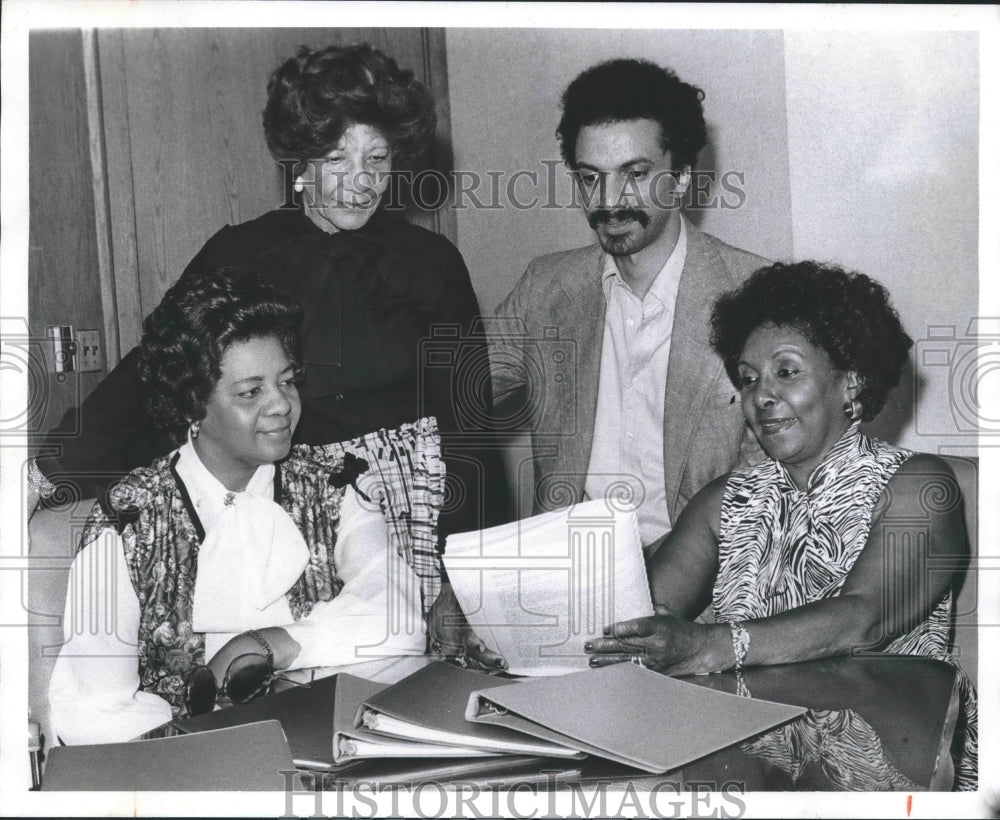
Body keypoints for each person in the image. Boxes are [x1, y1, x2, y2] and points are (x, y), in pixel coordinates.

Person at [29, 42, 508, 552]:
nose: (361, 182)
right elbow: (152, 371)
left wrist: (475, 565)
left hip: (417, 511)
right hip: (279, 513)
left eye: (376, 157)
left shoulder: (432, 261)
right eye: (335, 159)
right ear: (300, 163)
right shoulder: (242, 251)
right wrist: (48, 470)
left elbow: (467, 426)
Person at [585, 261, 977, 789]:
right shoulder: (725, 499)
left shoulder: (920, 486)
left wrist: (708, 646)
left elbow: (860, 619)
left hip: (883, 759)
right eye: (748, 379)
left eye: (786, 372)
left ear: (851, 381)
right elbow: (640, 614)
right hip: (737, 755)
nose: (761, 396)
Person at [49, 268, 427, 745]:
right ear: (192, 403)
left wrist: (268, 644)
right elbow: (92, 708)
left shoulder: (334, 482)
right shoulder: (128, 522)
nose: (282, 405)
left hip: (331, 747)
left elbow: (395, 612)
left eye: (287, 382)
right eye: (251, 392)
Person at [489, 58, 765, 547]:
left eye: (634, 174)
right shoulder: (546, 287)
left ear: (680, 177)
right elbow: (446, 396)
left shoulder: (756, 292)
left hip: (704, 585)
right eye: (590, 177)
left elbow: (782, 478)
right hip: (568, 575)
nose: (609, 200)